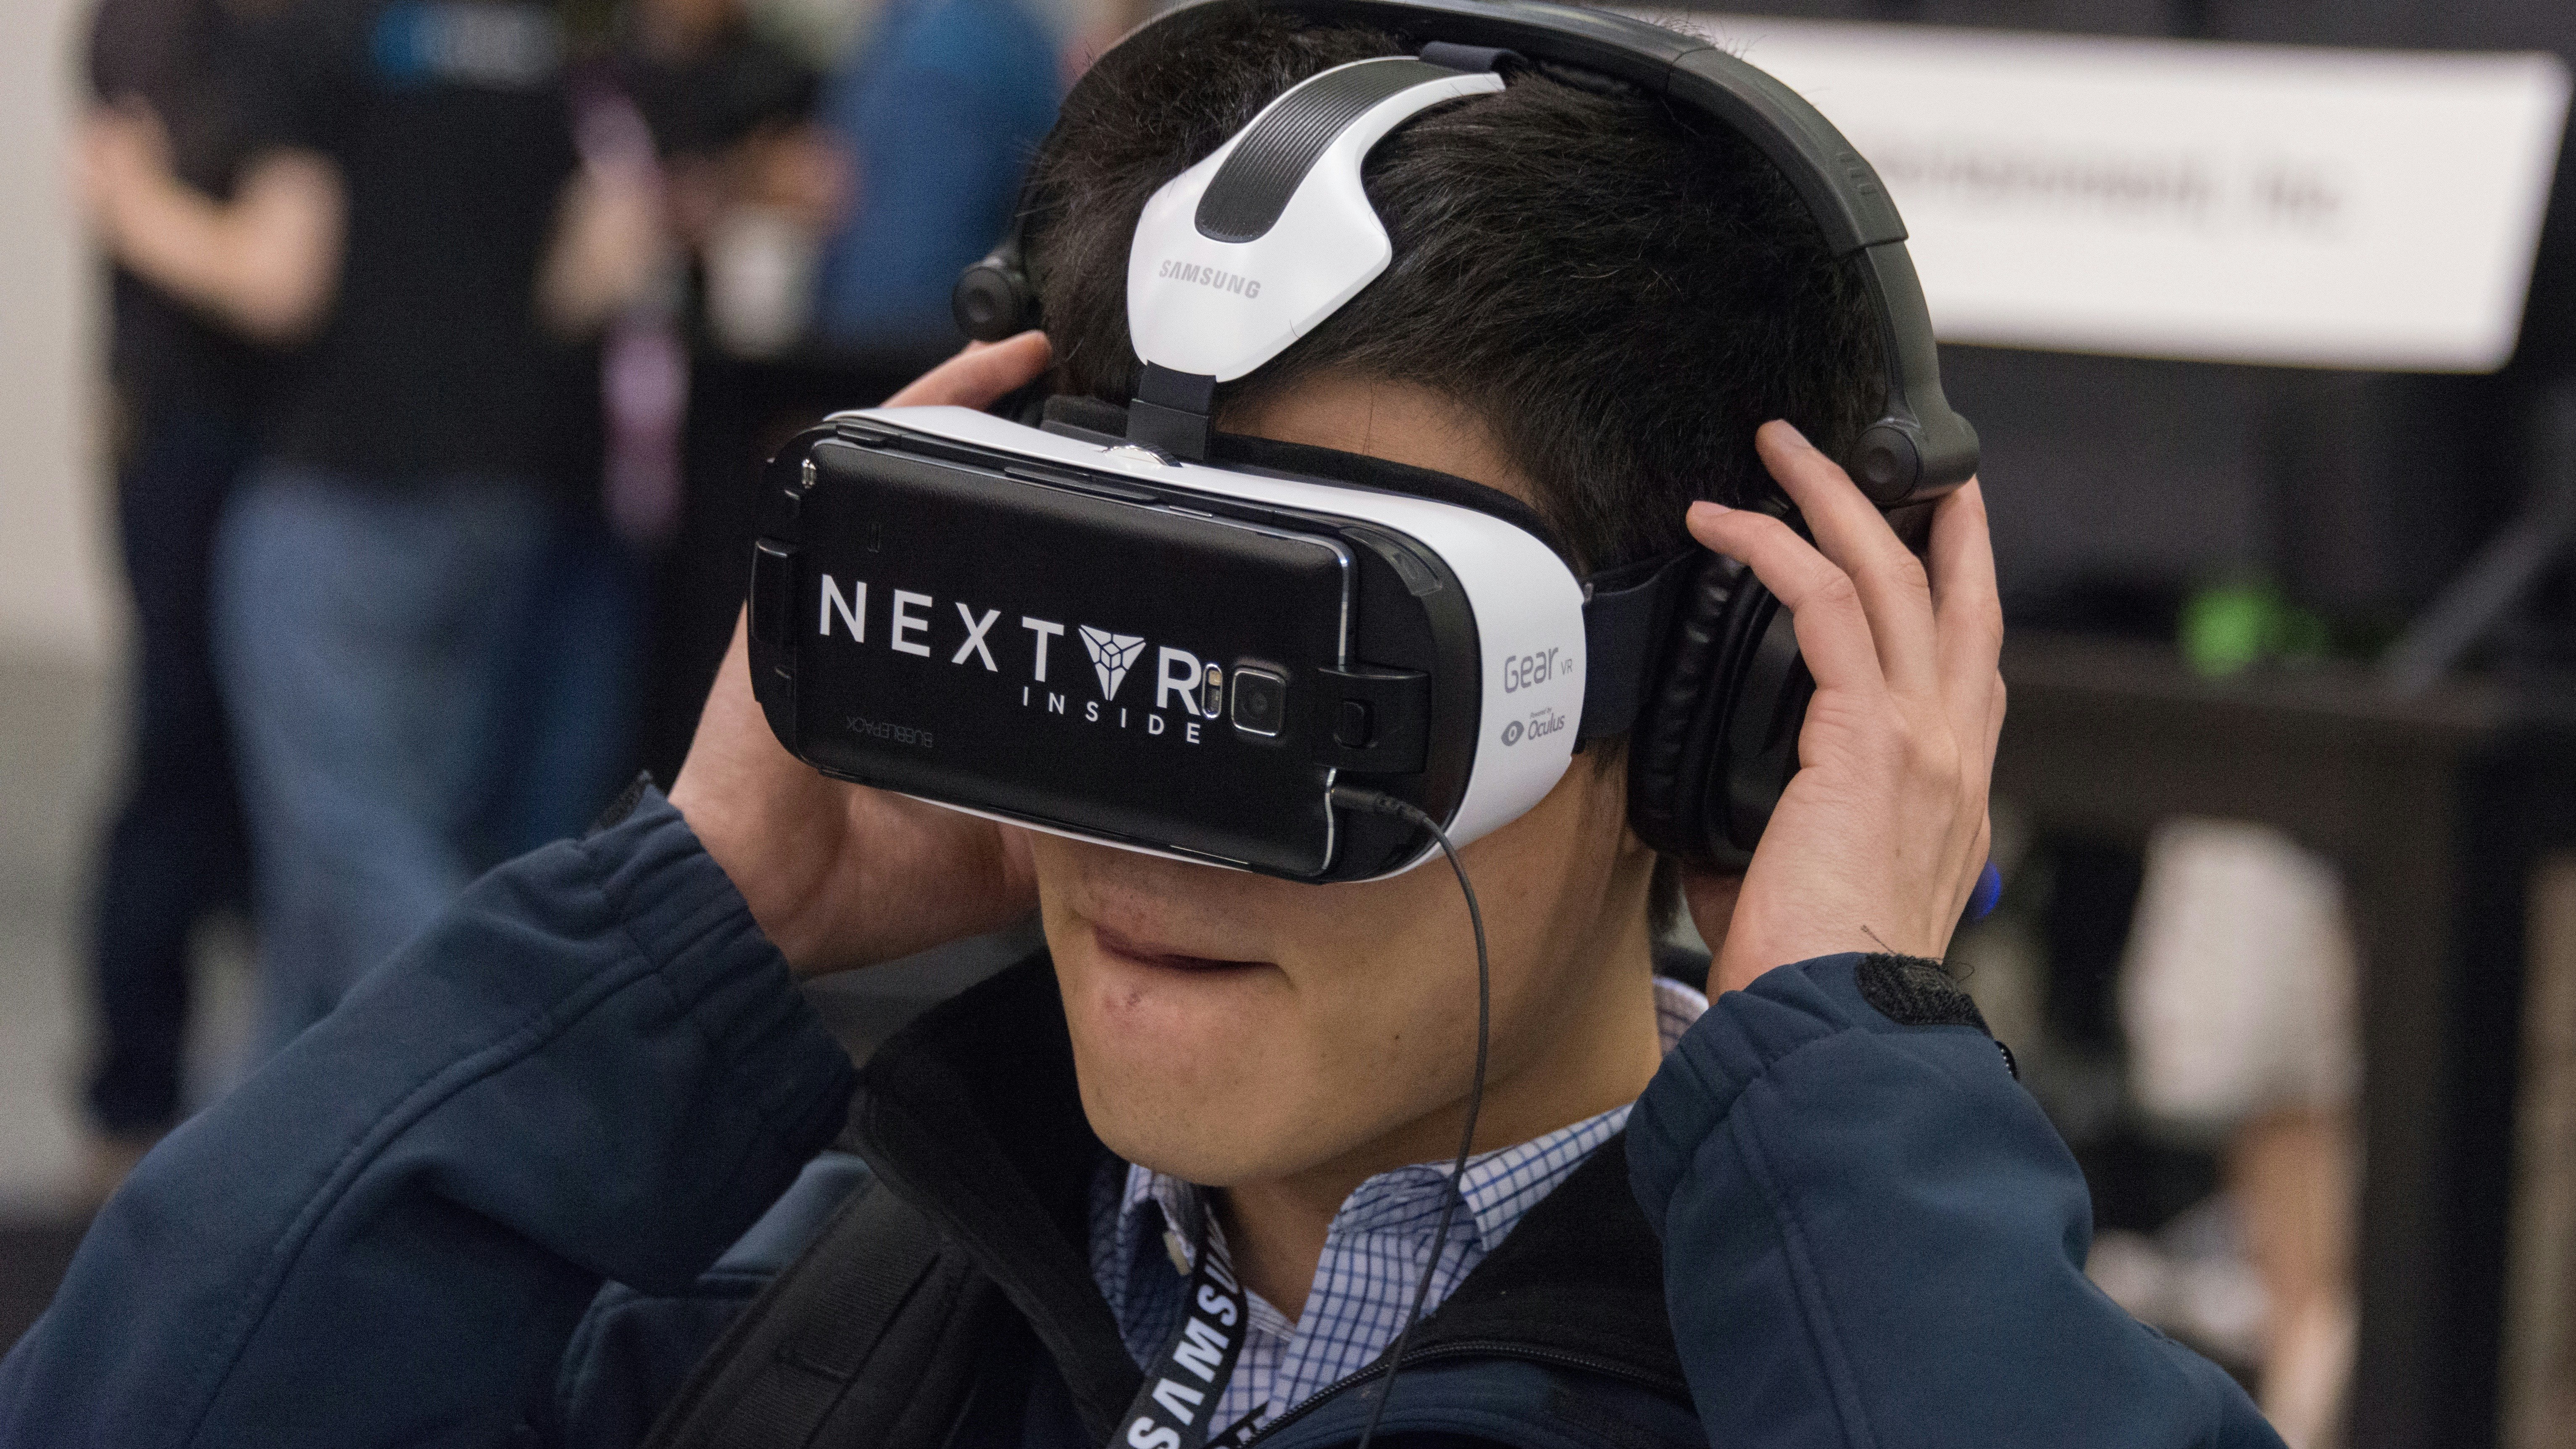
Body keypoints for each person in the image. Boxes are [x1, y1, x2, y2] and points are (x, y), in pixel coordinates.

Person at [0, 8, 2282, 1447]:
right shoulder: (804, 1312)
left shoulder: (1855, 1363)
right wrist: (683, 924)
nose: (1148, 841)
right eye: (1072, 629)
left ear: (1717, 720)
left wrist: (1837, 1103)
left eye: (1324, 690)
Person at [80, 0, 672, 1063]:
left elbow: (280, 275)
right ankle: (280, 1185)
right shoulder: (527, 45)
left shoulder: (316, 36)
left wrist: (131, 207)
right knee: (341, 875)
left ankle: (527, 1076)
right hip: (496, 493)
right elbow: (600, 257)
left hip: (340, 490)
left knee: (357, 856)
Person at [72, 0, 292, 1193]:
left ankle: (254, 1099)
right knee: (177, 753)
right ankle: (131, 1101)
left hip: (295, 444)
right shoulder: (155, 26)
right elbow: (177, 215)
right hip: (187, 434)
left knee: (270, 771)